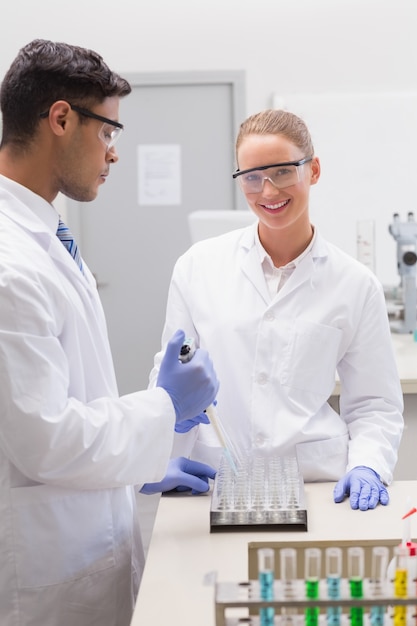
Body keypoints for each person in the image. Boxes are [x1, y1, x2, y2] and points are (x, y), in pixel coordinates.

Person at [0, 39, 219, 626]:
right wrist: (165, 406)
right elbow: (44, 438)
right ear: (62, 118)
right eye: (108, 132)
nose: (114, 154)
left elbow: (70, 401)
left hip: (82, 540)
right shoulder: (10, 265)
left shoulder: (46, 236)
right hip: (44, 580)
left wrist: (142, 466)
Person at [149, 108, 404, 512]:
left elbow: (375, 404)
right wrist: (161, 443)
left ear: (313, 170)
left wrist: (369, 464)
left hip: (318, 486)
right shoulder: (198, 266)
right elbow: (169, 378)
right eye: (251, 177)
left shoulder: (355, 284)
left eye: (283, 172)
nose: (267, 191)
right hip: (215, 482)